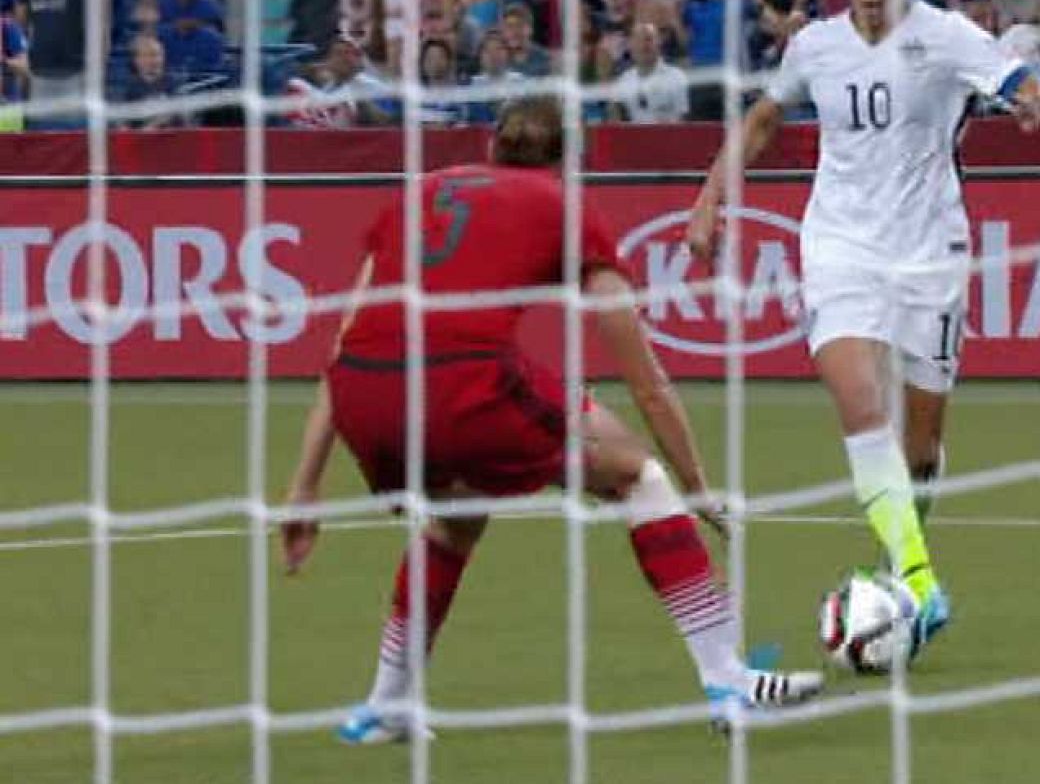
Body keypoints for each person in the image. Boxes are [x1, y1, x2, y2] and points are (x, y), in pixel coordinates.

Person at [281, 97, 823, 744]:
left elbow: (344, 341)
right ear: (567, 162)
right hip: (460, 383)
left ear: (491, 150)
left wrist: (304, 486)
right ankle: (727, 680)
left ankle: (385, 706)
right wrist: (697, 483)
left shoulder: (420, 193)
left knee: (458, 514)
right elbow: (645, 382)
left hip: (364, 397)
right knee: (638, 476)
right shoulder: (562, 205)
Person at [685, 0, 1040, 662]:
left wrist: (1034, 102)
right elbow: (763, 118)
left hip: (930, 251)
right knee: (858, 401)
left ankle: (901, 561)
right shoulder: (817, 47)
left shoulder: (944, 35)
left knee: (920, 446)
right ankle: (920, 582)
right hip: (841, 246)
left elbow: (1019, 79)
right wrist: (711, 192)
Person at [609, 21, 691, 123]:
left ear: (659, 43)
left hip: (667, 136)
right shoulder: (624, 80)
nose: (643, 45)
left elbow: (682, 120)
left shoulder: (676, 77)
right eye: (637, 41)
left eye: (649, 39)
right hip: (634, 137)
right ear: (630, 46)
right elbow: (615, 117)